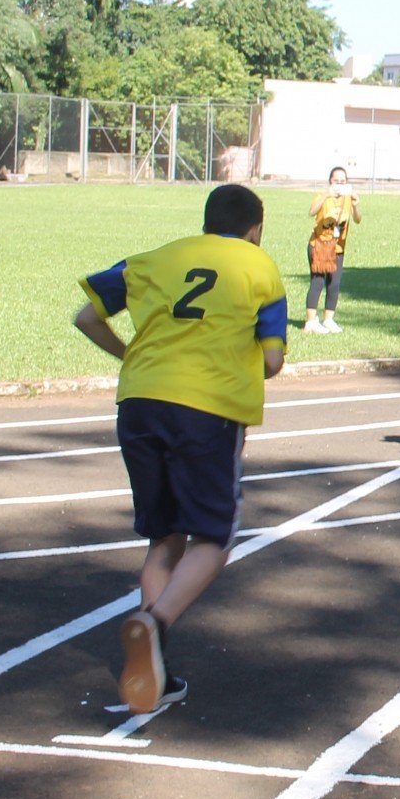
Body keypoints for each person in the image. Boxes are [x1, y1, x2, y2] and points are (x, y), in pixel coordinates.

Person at [73, 185, 288, 711]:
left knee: (163, 535)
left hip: (141, 402)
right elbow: (273, 360)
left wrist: (130, 355)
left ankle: (156, 669)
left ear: (207, 220)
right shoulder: (259, 268)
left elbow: (86, 316)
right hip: (207, 408)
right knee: (214, 536)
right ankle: (155, 620)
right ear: (255, 229)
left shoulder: (155, 258)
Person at [304, 167, 362, 335]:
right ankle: (310, 321)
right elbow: (312, 211)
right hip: (320, 245)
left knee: (334, 284)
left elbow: (358, 219)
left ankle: (328, 319)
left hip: (337, 248)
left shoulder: (348, 199)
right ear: (330, 182)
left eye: (343, 182)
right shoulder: (324, 197)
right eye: (336, 181)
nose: (339, 185)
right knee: (318, 281)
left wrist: (356, 204)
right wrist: (326, 195)